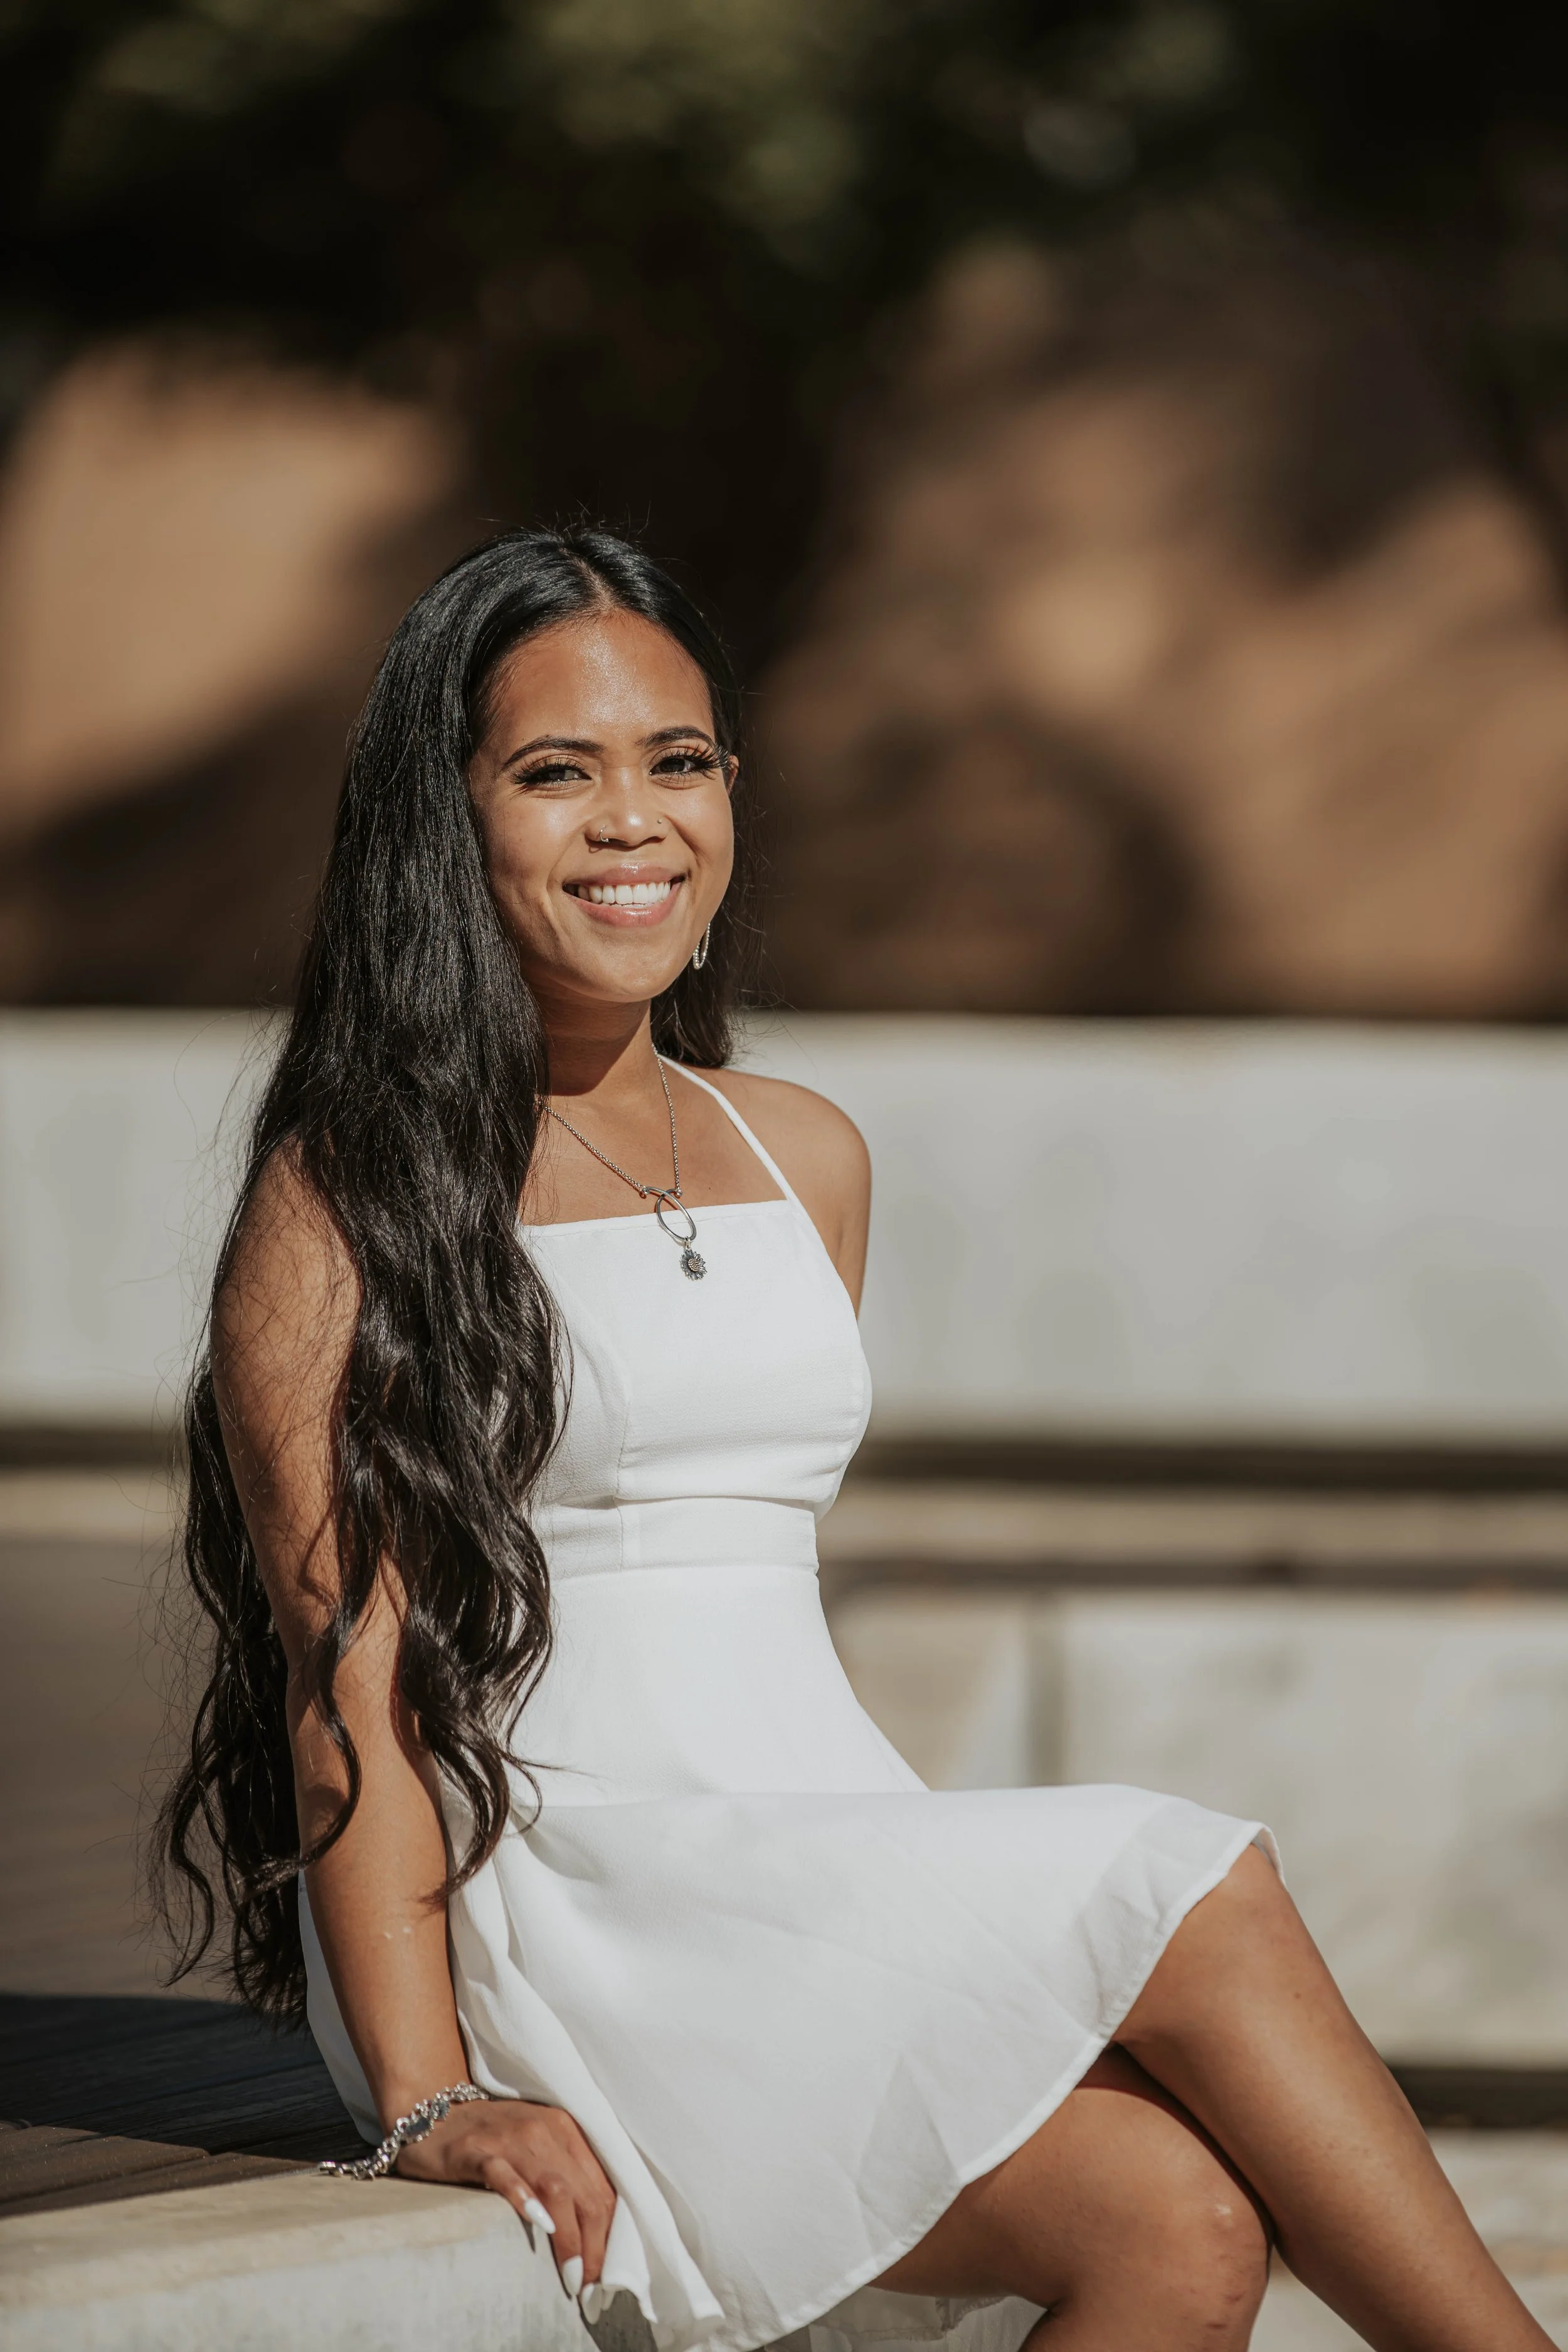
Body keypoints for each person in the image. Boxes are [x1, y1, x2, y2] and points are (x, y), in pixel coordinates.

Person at [160, 529, 1551, 2352]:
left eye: (676, 760)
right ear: (448, 817)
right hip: (573, 1896)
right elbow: (342, 1680)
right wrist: (428, 2094)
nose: (632, 819)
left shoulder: (796, 1152)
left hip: (803, 1848)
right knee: (1188, 1872)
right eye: (556, 772)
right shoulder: (341, 1202)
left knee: (1177, 2223)